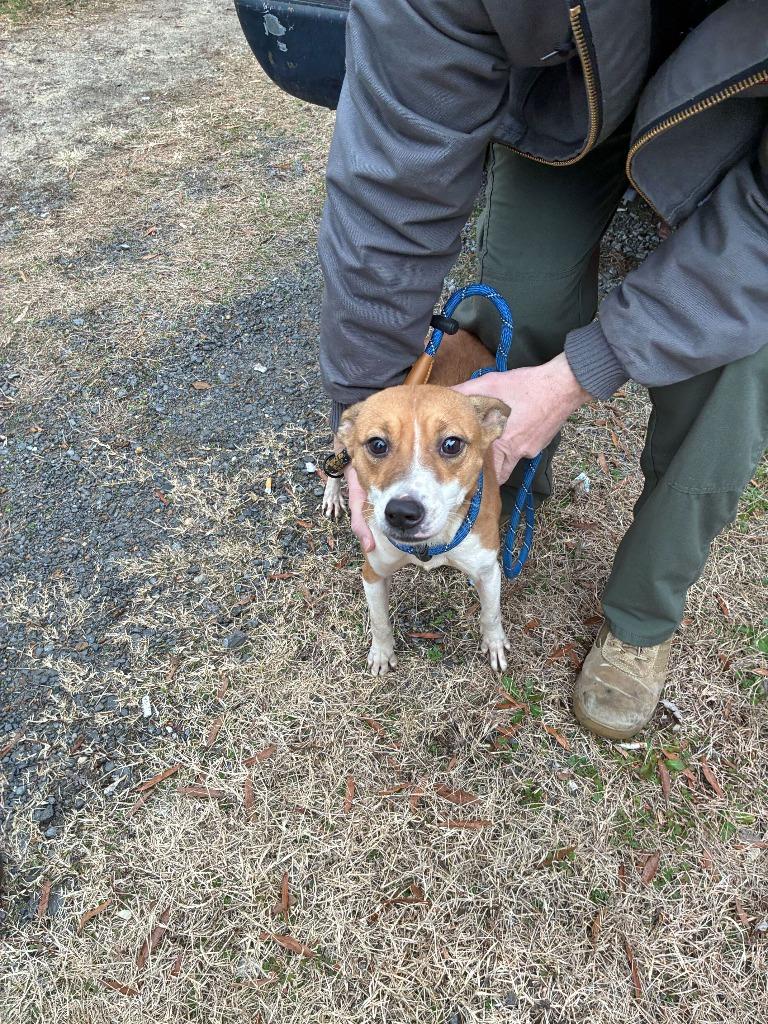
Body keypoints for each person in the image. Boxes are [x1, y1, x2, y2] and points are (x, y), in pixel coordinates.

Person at [317, 0, 768, 739]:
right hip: (577, 102)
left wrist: (581, 372)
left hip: (749, 136)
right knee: (520, 302)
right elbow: (392, 179)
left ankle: (641, 618)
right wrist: (365, 405)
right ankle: (517, 479)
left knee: (732, 375)